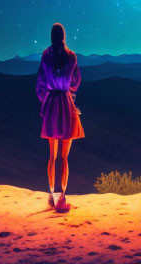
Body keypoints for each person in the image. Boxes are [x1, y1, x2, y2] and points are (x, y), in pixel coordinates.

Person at [36, 22, 84, 212]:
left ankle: (51, 194)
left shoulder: (46, 55)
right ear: (64, 35)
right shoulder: (71, 56)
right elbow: (75, 81)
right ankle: (63, 195)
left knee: (52, 156)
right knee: (65, 157)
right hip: (65, 101)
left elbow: (40, 81)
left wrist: (46, 99)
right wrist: (67, 87)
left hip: (52, 103)